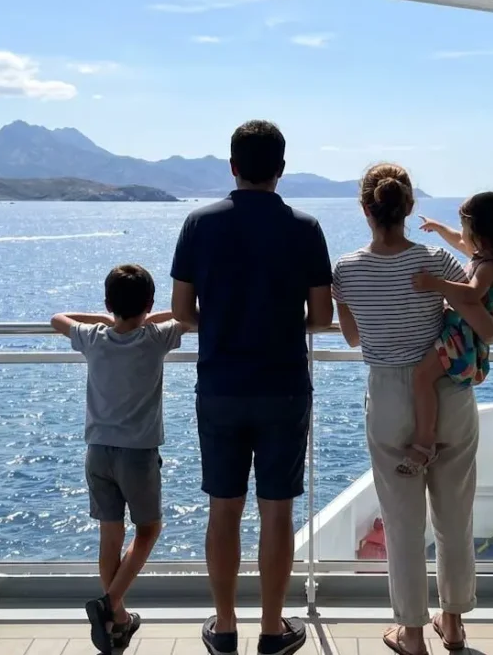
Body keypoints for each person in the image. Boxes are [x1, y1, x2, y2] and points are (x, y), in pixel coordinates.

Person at [170, 120, 333, 655]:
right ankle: (270, 629)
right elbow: (322, 314)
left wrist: (220, 321)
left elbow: (180, 312)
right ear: (281, 170)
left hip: (219, 385)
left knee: (224, 507)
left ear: (233, 166)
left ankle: (223, 628)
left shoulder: (199, 224)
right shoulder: (306, 228)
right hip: (284, 385)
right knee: (277, 510)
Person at [331, 164, 493, 655]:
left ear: (366, 209)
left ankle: (410, 633)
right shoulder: (437, 263)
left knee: (402, 522)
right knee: (454, 516)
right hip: (446, 389)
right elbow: (488, 330)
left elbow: (353, 337)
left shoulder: (345, 269)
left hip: (387, 395)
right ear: (408, 209)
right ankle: (451, 624)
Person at [50, 264, 190, 655]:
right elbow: (190, 317)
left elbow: (57, 318)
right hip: (138, 454)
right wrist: (152, 314)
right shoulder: (155, 338)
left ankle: (118, 622)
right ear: (148, 303)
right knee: (149, 530)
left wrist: (107, 317)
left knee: (110, 536)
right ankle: (109, 603)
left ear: (109, 303)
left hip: (97, 451)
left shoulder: (93, 338)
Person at [398, 192, 493, 477]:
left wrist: (435, 284)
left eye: (466, 228)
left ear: (482, 232)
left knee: (422, 377)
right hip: (461, 332)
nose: (462, 235)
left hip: (461, 338)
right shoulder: (486, 258)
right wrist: (439, 228)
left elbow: (471, 294)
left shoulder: (489, 267)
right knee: (424, 378)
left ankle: (424, 441)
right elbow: (458, 241)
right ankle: (425, 440)